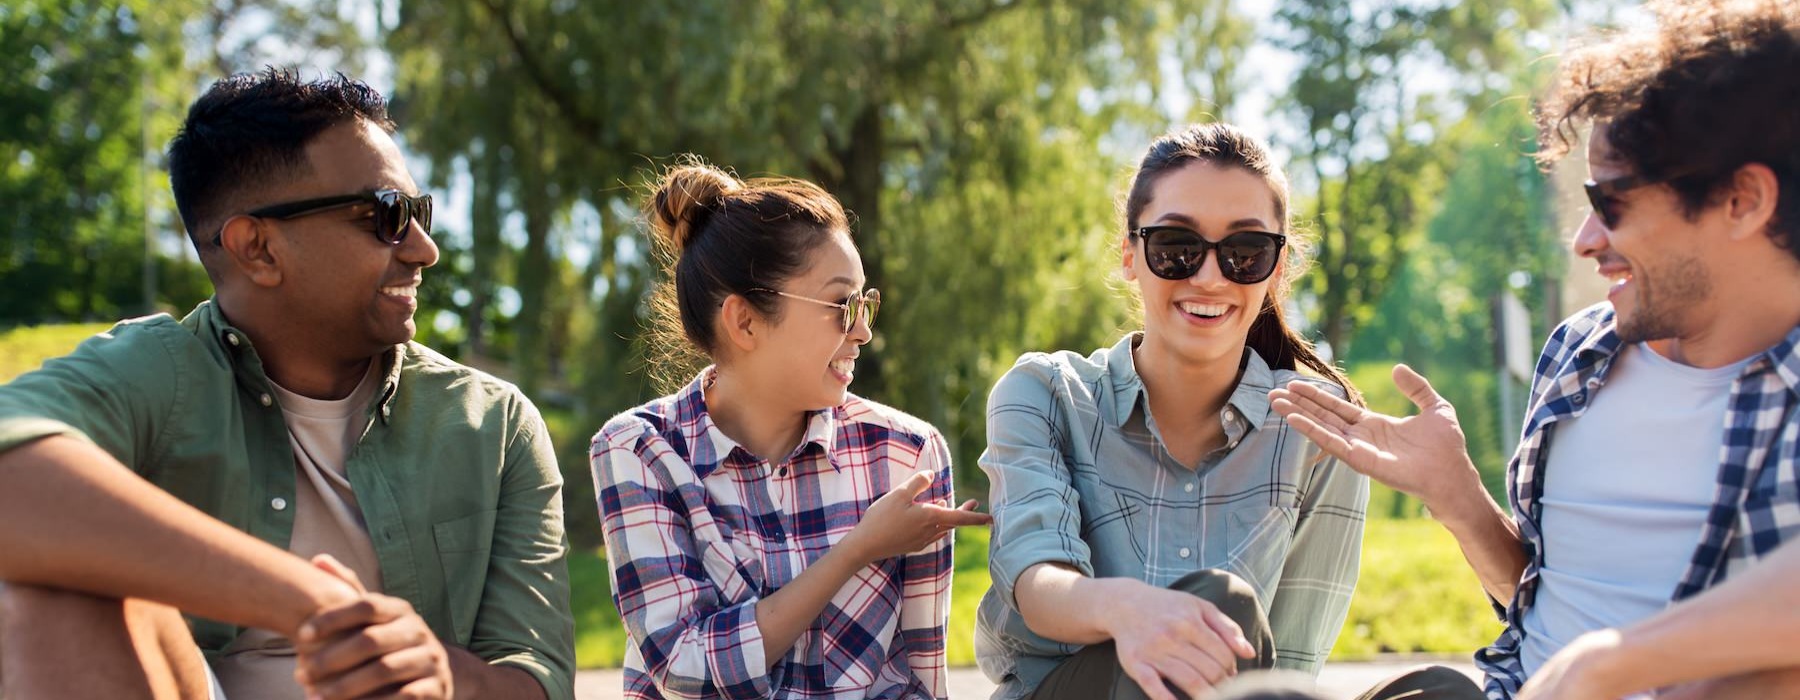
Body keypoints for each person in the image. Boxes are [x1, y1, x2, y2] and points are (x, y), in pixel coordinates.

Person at [1270, 1, 1800, 698]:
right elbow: (1540, 601)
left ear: (1743, 200)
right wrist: (1458, 498)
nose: (1584, 240)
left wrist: (1609, 663)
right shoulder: (1578, 355)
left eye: (1612, 202)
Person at [0, 69, 574, 700]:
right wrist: (304, 599)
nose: (423, 249)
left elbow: (537, 679)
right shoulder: (156, 371)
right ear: (258, 249)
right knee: (62, 591)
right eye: (387, 215)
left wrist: (437, 673)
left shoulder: (493, 424)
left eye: (420, 213)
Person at [973, 123, 1381, 700]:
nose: (1209, 277)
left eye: (1245, 251)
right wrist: (1132, 613)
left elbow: (1289, 665)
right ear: (1130, 255)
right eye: (1176, 248)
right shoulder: (1044, 393)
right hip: (1069, 693)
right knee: (1222, 606)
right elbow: (1037, 585)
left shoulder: (1318, 425)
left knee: (1438, 690)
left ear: (1277, 268)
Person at [590, 160, 992, 700]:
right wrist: (857, 549)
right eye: (841, 304)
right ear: (745, 322)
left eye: (865, 303)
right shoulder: (639, 450)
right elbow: (686, 671)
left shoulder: (907, 454)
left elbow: (921, 680)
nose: (864, 330)